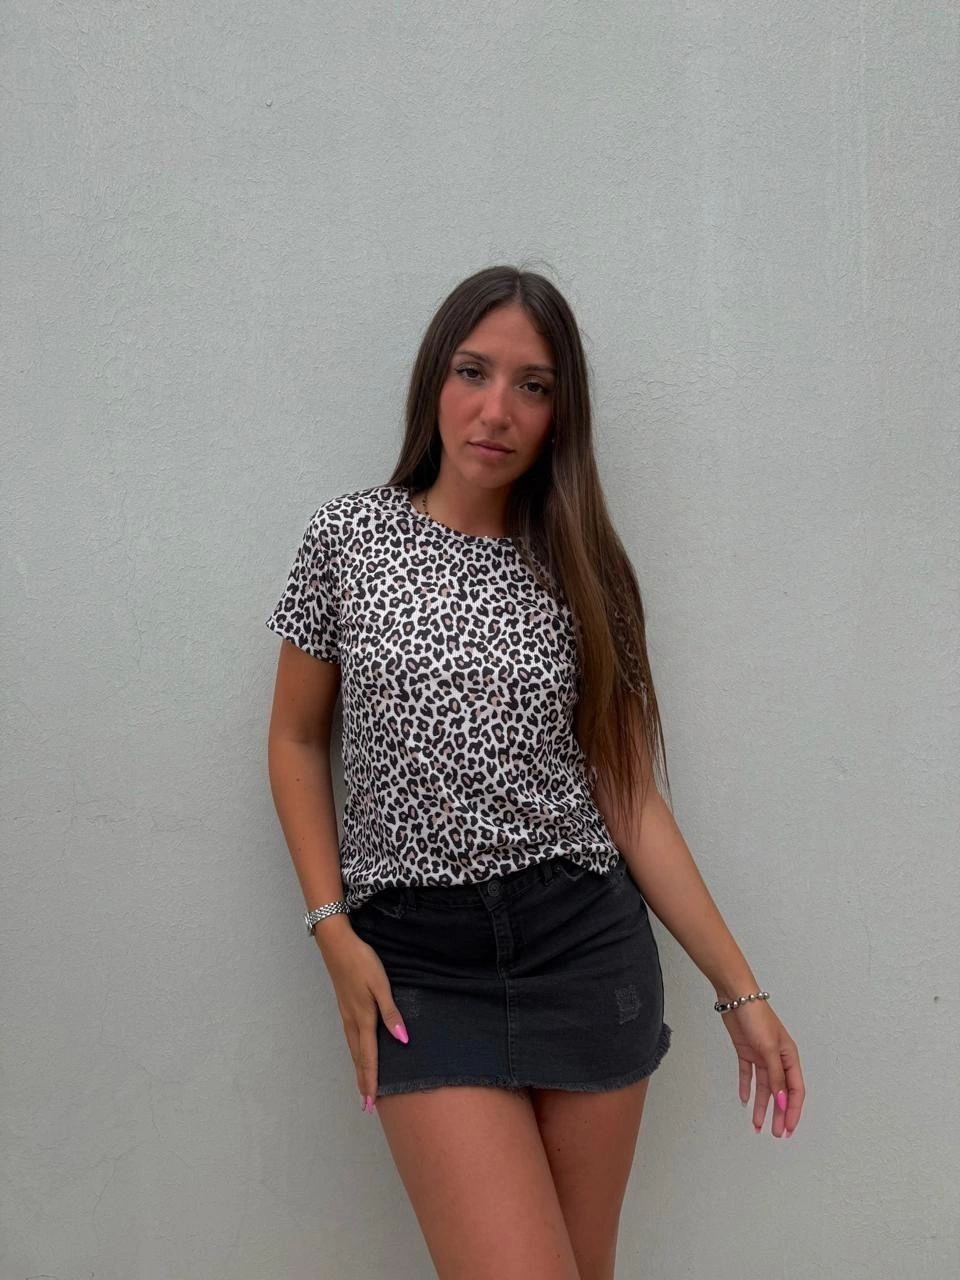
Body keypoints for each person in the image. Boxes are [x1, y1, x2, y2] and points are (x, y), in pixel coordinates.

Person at [264, 265, 805, 1279]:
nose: (497, 409)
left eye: (534, 385)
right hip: (419, 966)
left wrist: (741, 991)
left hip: (582, 949)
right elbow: (295, 738)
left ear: (562, 413)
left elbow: (627, 793)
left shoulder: (585, 566)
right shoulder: (349, 538)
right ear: (435, 377)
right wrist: (331, 927)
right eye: (474, 371)